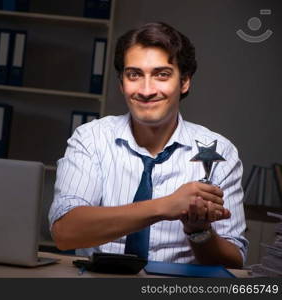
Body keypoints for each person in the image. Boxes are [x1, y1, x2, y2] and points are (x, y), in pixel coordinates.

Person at [48, 22, 248, 268]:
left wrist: (199, 232)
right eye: (134, 75)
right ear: (122, 83)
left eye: (161, 74)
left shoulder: (220, 151)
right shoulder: (91, 138)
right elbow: (65, 233)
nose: (146, 90)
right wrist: (165, 206)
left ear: (184, 82)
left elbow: (234, 263)